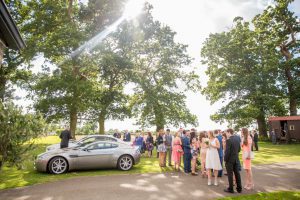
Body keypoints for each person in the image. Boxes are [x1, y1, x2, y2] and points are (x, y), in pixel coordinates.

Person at [224, 128, 242, 194]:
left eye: (226, 132)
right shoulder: (237, 138)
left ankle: (231, 189)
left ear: (229, 132)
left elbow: (227, 152)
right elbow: (239, 149)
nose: (226, 134)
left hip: (230, 160)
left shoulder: (228, 140)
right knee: (237, 173)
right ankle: (239, 188)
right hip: (236, 158)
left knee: (230, 174)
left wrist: (225, 159)